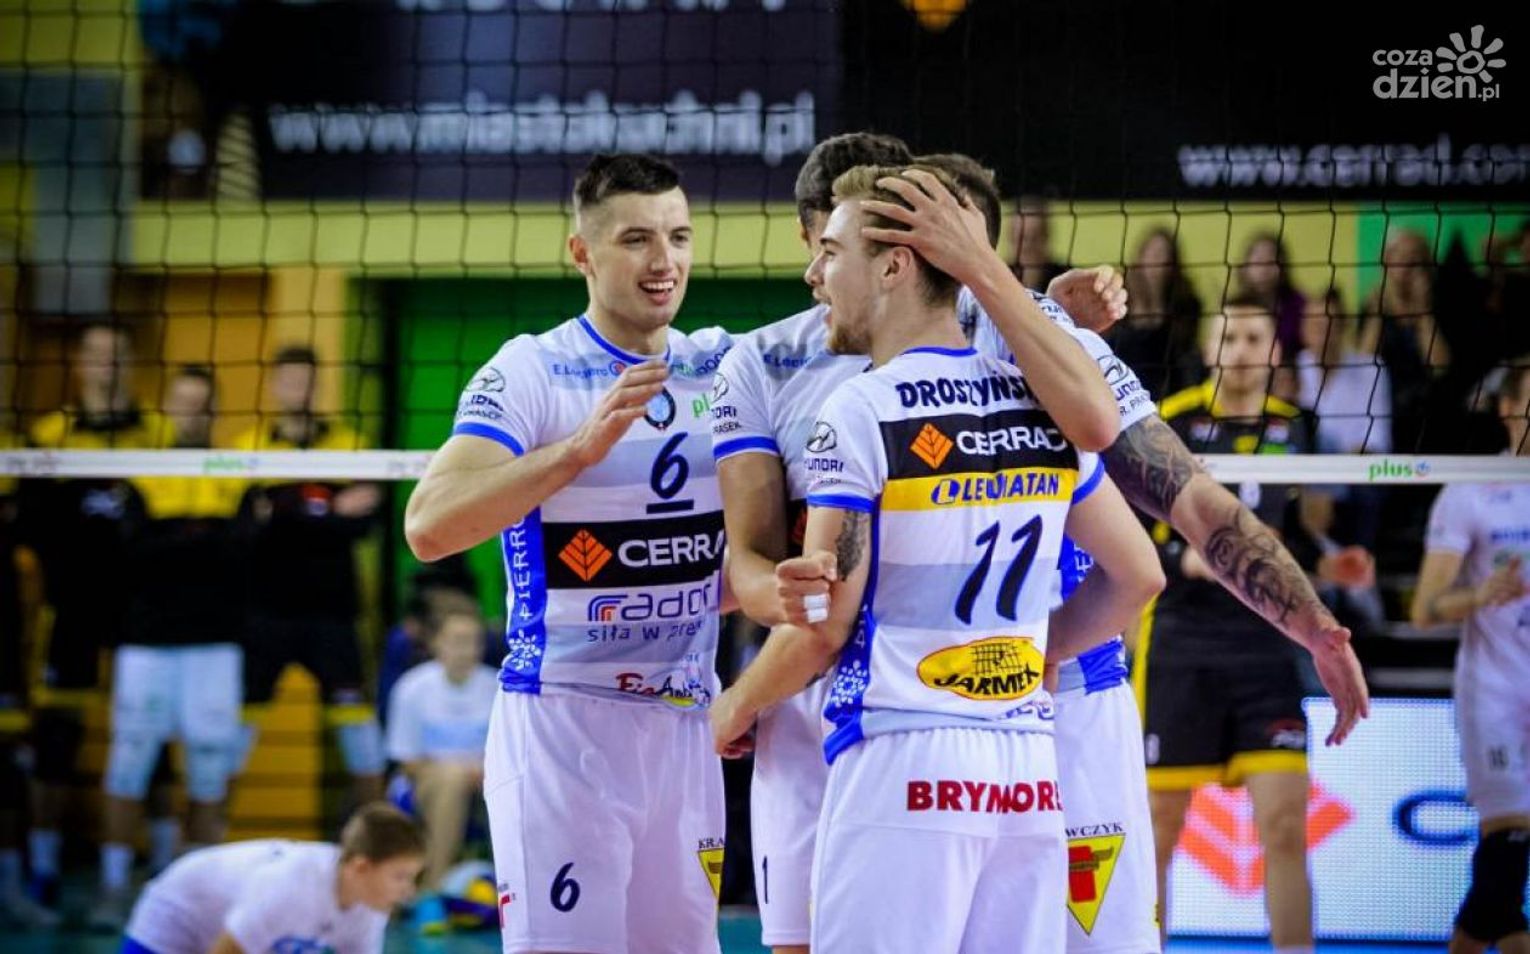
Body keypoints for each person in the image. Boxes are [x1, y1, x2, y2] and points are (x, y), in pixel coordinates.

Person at [710, 164, 1164, 950]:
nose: (817, 275)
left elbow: (825, 626)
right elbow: (1139, 574)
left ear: (893, 266)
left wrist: (734, 706)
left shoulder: (860, 409)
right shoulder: (1036, 400)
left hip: (902, 756)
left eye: (833, 253)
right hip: (1024, 769)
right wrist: (1035, 653)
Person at [405, 153, 735, 953]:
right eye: (636, 239)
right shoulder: (531, 368)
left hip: (686, 722)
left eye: (679, 236)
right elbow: (429, 526)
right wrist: (576, 453)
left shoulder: (721, 365)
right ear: (581, 252)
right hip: (564, 721)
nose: (664, 261)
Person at [1140, 295, 1372, 954]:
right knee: (1158, 830)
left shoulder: (1295, 426)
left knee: (1286, 828)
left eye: (1253, 338)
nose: (1240, 350)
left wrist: (1328, 567)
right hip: (1182, 645)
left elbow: (1289, 532)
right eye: (1229, 337)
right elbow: (1123, 532)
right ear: (1209, 348)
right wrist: (1184, 561)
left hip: (1266, 648)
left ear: (1274, 351)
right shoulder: (1167, 421)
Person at [89, 366, 248, 931]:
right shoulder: (143, 473)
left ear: (214, 411)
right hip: (147, 644)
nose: (192, 413)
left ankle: (202, 898)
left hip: (215, 644)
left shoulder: (238, 473)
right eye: (182, 402)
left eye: (202, 404)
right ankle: (113, 888)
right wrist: (200, 539)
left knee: (209, 770)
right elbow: (131, 554)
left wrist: (176, 539)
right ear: (168, 408)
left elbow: (240, 555)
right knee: (129, 762)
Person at [20, 321, 170, 913]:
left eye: (118, 356)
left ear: (131, 364)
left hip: (141, 611)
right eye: (98, 356)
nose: (108, 366)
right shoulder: (49, 435)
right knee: (56, 738)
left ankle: (158, 871)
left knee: (153, 741)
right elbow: (33, 527)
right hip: (73, 611)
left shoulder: (157, 433)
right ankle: (44, 869)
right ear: (80, 364)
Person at [233, 345, 387, 815]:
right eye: (289, 380)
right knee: (231, 742)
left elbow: (365, 524)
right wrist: (328, 509)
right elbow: (245, 531)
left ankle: (378, 839)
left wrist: (281, 512)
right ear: (274, 385)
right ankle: (202, 842)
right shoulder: (248, 446)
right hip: (266, 614)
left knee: (360, 736)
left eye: (306, 380)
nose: (298, 389)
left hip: (333, 613)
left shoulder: (349, 442)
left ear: (316, 386)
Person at [1412, 362, 1530, 954]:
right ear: (1508, 408)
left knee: (1502, 869)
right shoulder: (1471, 490)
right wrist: (1481, 594)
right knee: (1509, 840)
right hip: (1497, 692)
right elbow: (1424, 610)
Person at [120, 801, 424, 954]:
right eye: (400, 877)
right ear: (361, 868)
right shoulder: (290, 886)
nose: (408, 891)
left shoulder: (368, 906)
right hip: (178, 915)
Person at [384, 605, 497, 934]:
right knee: (451, 780)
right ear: (437, 643)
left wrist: (483, 772)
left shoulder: (498, 686)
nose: (466, 650)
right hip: (425, 779)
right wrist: (459, 772)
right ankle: (430, 892)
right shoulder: (412, 688)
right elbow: (407, 760)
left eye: (473, 641)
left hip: (487, 778)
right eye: (457, 641)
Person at [1113, 226, 1205, 399]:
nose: (1155, 260)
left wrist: (1156, 303)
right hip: (1127, 381)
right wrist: (1140, 306)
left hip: (1171, 384)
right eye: (1151, 252)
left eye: (1163, 254)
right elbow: (1121, 343)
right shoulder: (1121, 292)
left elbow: (1179, 348)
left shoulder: (1186, 300)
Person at [1010, 194, 1070, 292]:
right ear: (1010, 239)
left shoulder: (1065, 279)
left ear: (1046, 238)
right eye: (1022, 238)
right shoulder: (999, 278)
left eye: (1034, 238)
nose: (1027, 246)